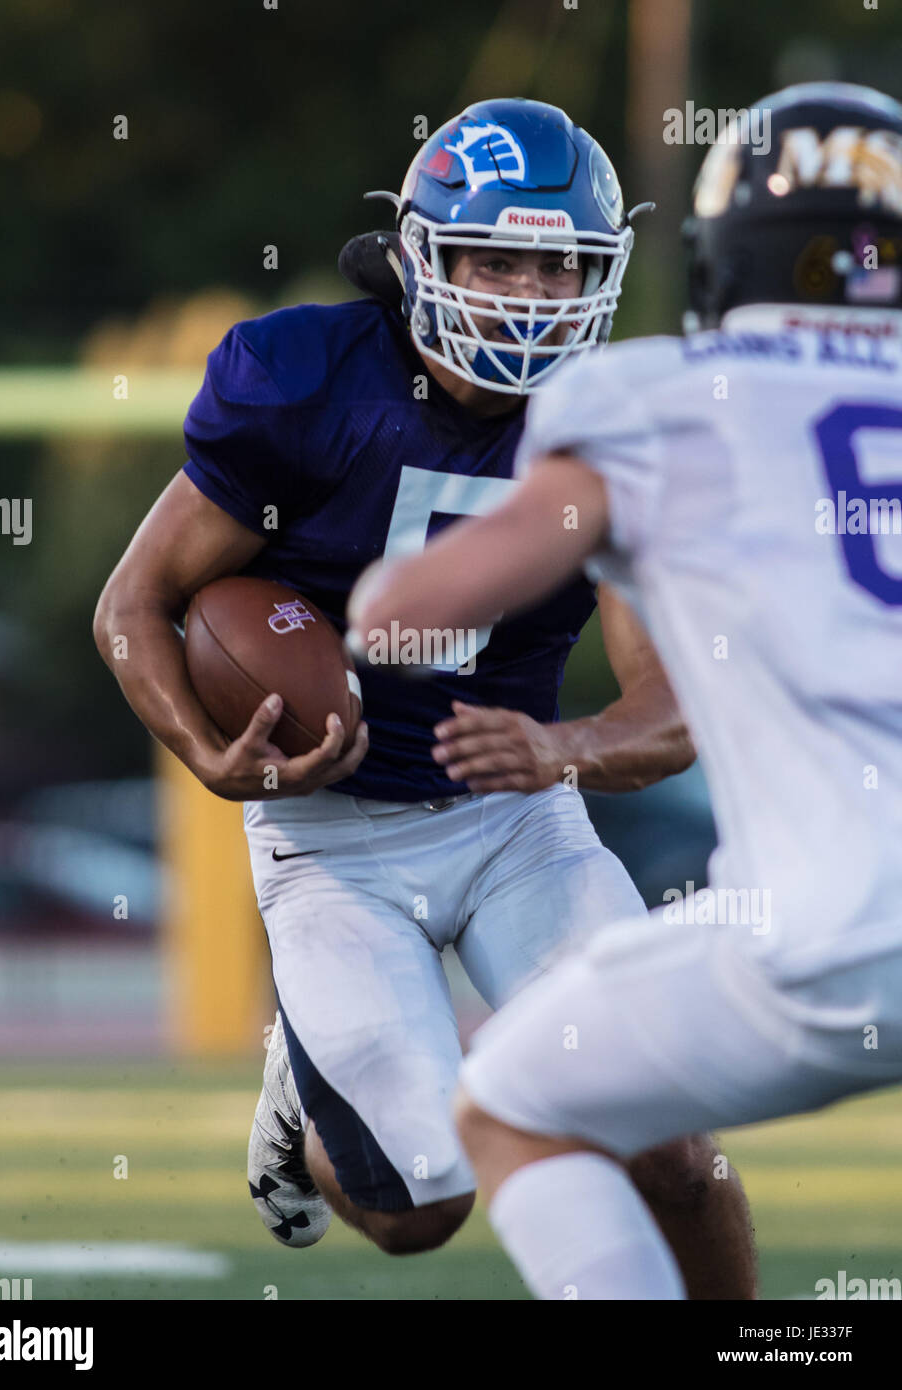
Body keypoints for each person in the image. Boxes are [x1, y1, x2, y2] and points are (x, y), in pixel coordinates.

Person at [94, 97, 754, 1291]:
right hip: (327, 836)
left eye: (559, 265)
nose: (525, 292)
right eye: (493, 258)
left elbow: (674, 712)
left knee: (670, 1142)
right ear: (418, 257)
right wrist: (205, 749)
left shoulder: (614, 429)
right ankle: (307, 1087)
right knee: (418, 1212)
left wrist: (556, 748)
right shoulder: (304, 383)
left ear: (600, 277)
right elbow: (131, 606)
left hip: (519, 824)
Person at [348, 81, 902, 1298]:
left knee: (507, 1102)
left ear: (720, 258)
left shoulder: (656, 399)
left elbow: (406, 612)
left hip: (833, 929)